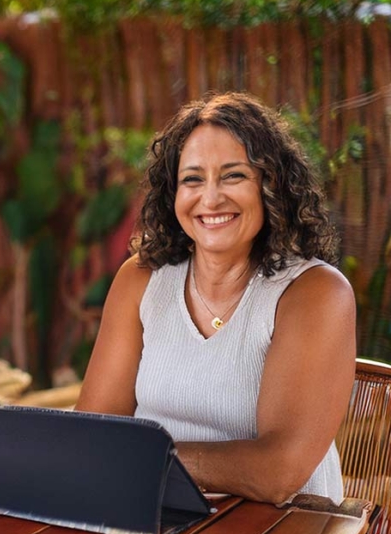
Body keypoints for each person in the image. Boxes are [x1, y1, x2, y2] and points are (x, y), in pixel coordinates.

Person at [76, 92, 355, 505]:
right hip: (158, 513)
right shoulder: (141, 279)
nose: (210, 199)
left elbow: (278, 472)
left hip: (285, 530)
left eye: (233, 176)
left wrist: (145, 459)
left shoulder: (315, 293)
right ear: (173, 194)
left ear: (271, 185)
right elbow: (93, 432)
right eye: (192, 179)